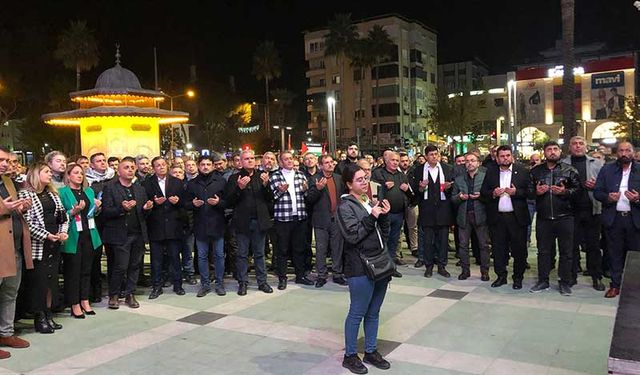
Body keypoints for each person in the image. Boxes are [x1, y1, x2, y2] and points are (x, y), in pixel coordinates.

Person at [337, 163, 392, 374]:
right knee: (357, 312)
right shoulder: (345, 207)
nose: (364, 182)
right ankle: (350, 355)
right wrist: (372, 217)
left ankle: (370, 350)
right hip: (359, 266)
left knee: (374, 312)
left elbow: (381, 235)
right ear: (349, 184)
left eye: (366, 178)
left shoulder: (367, 201)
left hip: (378, 263)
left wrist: (383, 215)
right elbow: (353, 235)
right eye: (359, 179)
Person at [19, 163, 69, 333]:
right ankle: (39, 316)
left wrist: (63, 232)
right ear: (35, 174)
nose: (50, 175)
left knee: (50, 281)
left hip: (54, 242)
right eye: (46, 172)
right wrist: (45, 235)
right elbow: (26, 223)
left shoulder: (53, 194)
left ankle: (48, 314)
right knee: (38, 282)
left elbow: (64, 216)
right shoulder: (25, 194)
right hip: (38, 244)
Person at [529, 141, 581, 295]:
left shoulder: (570, 170)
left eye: (555, 149)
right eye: (549, 150)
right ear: (544, 153)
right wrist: (536, 192)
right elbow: (528, 191)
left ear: (560, 151)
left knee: (566, 252)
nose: (552, 152)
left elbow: (578, 192)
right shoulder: (536, 171)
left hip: (565, 217)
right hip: (544, 218)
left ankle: (564, 282)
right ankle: (543, 280)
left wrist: (565, 192)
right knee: (543, 251)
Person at [101, 157, 153, 309]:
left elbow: (143, 215)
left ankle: (130, 293)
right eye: (126, 167)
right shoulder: (110, 188)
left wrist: (146, 209)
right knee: (120, 266)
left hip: (137, 233)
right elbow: (106, 212)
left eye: (132, 167)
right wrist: (122, 209)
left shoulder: (139, 188)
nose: (130, 170)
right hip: (119, 234)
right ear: (119, 171)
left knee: (135, 265)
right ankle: (114, 294)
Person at [594, 141, 640, 298]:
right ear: (616, 153)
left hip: (635, 220)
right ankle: (615, 285)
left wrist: (637, 199)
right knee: (615, 254)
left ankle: (633, 287)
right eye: (621, 150)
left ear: (633, 152)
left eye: (628, 150)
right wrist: (608, 197)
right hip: (614, 220)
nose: (624, 153)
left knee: (635, 255)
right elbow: (597, 192)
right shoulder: (607, 170)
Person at [480, 145, 530, 290]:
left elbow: (530, 192)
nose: (505, 158)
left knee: (519, 250)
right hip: (497, 218)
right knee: (498, 249)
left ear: (512, 156)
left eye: (508, 155)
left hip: (516, 218)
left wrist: (516, 192)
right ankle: (501, 276)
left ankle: (518, 278)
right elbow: (484, 192)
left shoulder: (522, 171)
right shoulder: (490, 172)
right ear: (497, 158)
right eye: (502, 156)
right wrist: (493, 193)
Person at [224, 150, 274, 296]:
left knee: (260, 253)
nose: (250, 160)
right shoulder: (234, 178)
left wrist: (266, 185)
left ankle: (262, 282)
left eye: (252, 158)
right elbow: (229, 201)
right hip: (242, 222)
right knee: (242, 254)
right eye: (246, 158)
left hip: (259, 221)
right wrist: (239, 188)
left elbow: (270, 198)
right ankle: (243, 282)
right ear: (240, 161)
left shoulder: (262, 176)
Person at [561, 136, 605, 291]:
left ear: (586, 147)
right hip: (569, 211)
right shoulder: (562, 164)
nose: (578, 146)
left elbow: (606, 186)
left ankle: (596, 276)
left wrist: (596, 185)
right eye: (574, 144)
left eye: (581, 144)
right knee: (570, 246)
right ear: (569, 147)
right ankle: (571, 276)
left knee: (593, 246)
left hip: (592, 210)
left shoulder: (597, 164)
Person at [0, 147, 33, 356]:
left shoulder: (8, 182)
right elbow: (4, 208)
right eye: (1, 160)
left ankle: (6, 332)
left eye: (6, 160)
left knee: (10, 292)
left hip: (15, 246)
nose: (5, 164)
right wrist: (4, 208)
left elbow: (11, 207)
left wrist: (22, 207)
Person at [58, 164, 102, 318]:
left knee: (86, 270)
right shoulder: (62, 192)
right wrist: (73, 211)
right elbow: (60, 215)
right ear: (68, 176)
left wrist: (96, 208)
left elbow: (91, 213)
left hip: (89, 235)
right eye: (75, 173)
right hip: (73, 236)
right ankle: (74, 303)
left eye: (81, 173)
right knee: (73, 272)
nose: (79, 176)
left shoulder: (88, 191)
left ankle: (85, 300)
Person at [143, 157, 186, 299]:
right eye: (157, 165)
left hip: (174, 226)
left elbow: (185, 204)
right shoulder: (147, 184)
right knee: (156, 260)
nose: (161, 167)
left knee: (175, 258)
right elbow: (145, 205)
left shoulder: (177, 182)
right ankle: (157, 287)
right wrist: (153, 204)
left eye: (163, 164)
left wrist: (178, 201)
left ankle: (178, 285)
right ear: (153, 168)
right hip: (156, 226)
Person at [185, 155, 228, 297]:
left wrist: (219, 203)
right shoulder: (192, 184)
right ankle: (205, 285)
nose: (205, 167)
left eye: (208, 164)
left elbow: (229, 202)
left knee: (219, 255)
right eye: (203, 164)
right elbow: (185, 204)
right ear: (198, 165)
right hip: (200, 225)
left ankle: (220, 284)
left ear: (213, 166)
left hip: (217, 224)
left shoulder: (221, 182)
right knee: (202, 257)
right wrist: (192, 204)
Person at [269, 152, 312, 288]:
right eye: (286, 159)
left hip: (299, 217)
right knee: (282, 249)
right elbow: (272, 197)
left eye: (290, 159)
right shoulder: (275, 176)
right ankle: (282, 277)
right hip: (283, 218)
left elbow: (305, 195)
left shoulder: (300, 174)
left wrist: (306, 190)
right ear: (280, 162)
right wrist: (280, 191)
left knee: (299, 248)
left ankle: (300, 276)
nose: (289, 161)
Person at [411, 145, 454, 278]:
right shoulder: (418, 171)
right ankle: (428, 266)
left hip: (443, 209)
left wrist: (448, 188)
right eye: (431, 154)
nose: (434, 156)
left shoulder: (447, 169)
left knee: (442, 240)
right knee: (428, 241)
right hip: (427, 209)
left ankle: (442, 265)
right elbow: (413, 192)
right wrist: (420, 188)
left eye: (436, 154)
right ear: (426, 156)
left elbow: (454, 190)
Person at [371, 151, 413, 277]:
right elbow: (373, 191)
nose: (395, 162)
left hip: (399, 213)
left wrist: (407, 190)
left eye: (397, 160)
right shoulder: (378, 173)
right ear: (386, 161)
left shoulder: (401, 175)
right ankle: (382, 267)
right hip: (384, 214)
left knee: (394, 241)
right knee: (383, 240)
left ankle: (391, 267)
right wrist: (384, 186)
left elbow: (410, 193)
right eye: (393, 160)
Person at [306, 155, 345, 287]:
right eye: (326, 163)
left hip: (337, 219)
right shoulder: (314, 179)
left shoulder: (339, 178)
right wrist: (317, 189)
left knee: (337, 248)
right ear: (321, 166)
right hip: (321, 220)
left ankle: (337, 274)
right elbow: (309, 199)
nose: (330, 165)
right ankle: (321, 275)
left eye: (331, 162)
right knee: (321, 249)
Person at [451, 152, 491, 281]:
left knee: (483, 245)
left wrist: (481, 196)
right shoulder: (459, 179)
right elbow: (453, 198)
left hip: (481, 215)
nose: (469, 163)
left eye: (472, 160)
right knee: (463, 245)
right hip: (464, 216)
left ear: (478, 163)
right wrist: (459, 197)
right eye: (467, 161)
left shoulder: (485, 177)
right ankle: (465, 270)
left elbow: (491, 197)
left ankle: (485, 271)